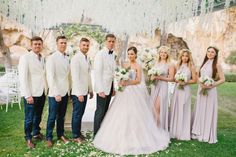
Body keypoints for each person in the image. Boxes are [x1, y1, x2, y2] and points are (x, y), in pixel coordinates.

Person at [93, 46, 170, 155]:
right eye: (129, 54)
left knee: (134, 114)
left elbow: (138, 80)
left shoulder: (138, 66)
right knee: (120, 113)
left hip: (133, 91)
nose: (130, 56)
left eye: (132, 54)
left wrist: (127, 83)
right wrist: (120, 81)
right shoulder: (124, 64)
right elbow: (119, 76)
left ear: (136, 55)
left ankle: (137, 138)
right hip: (123, 92)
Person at [192, 46, 225, 144]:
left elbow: (223, 79)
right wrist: (200, 83)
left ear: (216, 54)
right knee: (201, 109)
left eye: (212, 52)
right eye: (208, 51)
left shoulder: (217, 65)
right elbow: (198, 76)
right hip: (201, 89)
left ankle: (207, 133)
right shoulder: (204, 63)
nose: (210, 53)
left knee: (208, 110)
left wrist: (211, 85)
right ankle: (199, 132)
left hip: (210, 90)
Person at [18, 36, 47, 148]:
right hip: (31, 94)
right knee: (29, 118)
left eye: (39, 44)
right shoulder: (25, 58)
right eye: (35, 44)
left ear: (42, 45)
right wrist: (27, 95)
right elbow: (23, 78)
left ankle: (36, 133)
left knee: (38, 116)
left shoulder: (43, 58)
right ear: (31, 45)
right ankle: (28, 138)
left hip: (41, 92)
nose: (37, 46)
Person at [46, 36, 70, 147]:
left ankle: (61, 134)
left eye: (65, 43)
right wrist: (56, 93)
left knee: (61, 116)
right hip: (55, 94)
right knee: (52, 116)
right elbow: (50, 77)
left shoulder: (66, 58)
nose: (63, 45)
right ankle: (49, 137)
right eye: (61, 43)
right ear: (57, 44)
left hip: (65, 92)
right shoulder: (52, 58)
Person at [169, 49, 197, 140]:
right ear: (180, 56)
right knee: (176, 108)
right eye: (183, 56)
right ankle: (175, 131)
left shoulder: (191, 66)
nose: (185, 58)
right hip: (177, 89)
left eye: (186, 56)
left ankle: (183, 132)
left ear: (189, 57)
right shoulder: (177, 65)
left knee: (184, 108)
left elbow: (195, 80)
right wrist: (178, 80)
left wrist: (185, 82)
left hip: (186, 89)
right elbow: (173, 78)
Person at [70, 38, 93, 142]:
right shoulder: (76, 58)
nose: (86, 47)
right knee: (77, 114)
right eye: (84, 45)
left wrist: (90, 89)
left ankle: (78, 133)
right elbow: (75, 77)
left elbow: (88, 75)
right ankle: (75, 136)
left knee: (80, 114)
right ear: (79, 46)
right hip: (78, 92)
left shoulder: (86, 58)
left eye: (87, 45)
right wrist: (79, 94)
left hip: (85, 91)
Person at [93, 34, 116, 136]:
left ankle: (102, 132)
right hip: (102, 88)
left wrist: (114, 87)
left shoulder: (113, 54)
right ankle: (96, 133)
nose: (111, 43)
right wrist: (100, 90)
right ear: (105, 42)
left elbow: (113, 73)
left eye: (113, 41)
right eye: (109, 41)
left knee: (105, 111)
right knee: (100, 111)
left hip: (110, 87)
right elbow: (97, 73)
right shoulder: (100, 54)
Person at [150, 46, 175, 131]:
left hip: (163, 87)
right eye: (162, 52)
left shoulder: (170, 64)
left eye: (165, 52)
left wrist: (160, 78)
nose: (163, 54)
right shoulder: (156, 63)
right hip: (155, 86)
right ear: (159, 53)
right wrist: (153, 77)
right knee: (152, 107)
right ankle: (153, 127)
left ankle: (157, 129)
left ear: (167, 54)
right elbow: (152, 75)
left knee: (157, 108)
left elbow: (172, 78)